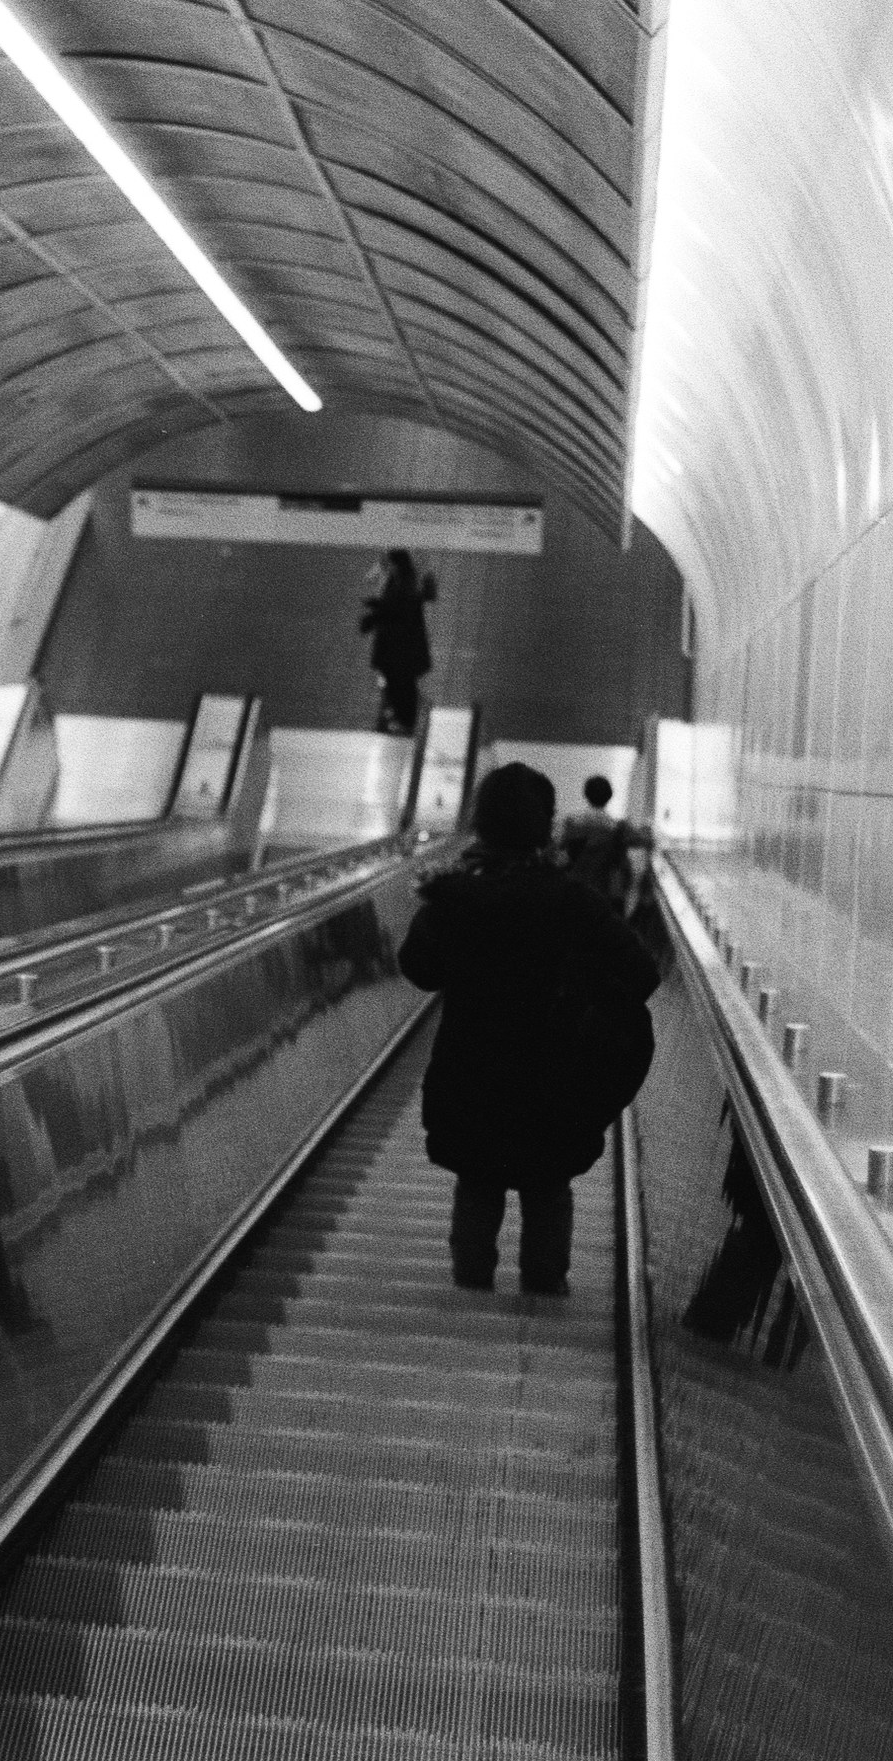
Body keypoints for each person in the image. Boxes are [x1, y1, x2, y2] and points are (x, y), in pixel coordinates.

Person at [397, 762, 660, 1295]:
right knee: (547, 1187)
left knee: (477, 1184)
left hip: (472, 1071)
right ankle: (544, 1291)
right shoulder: (572, 902)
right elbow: (642, 974)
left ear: (481, 823)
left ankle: (470, 1291)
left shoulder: (454, 899)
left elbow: (418, 969)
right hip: (554, 1074)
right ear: (545, 827)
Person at [357, 548, 437, 735]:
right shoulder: (402, 580)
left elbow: (399, 609)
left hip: (401, 649)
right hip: (398, 648)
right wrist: (377, 606)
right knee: (399, 684)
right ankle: (403, 719)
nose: (387, 567)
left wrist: (375, 613)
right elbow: (397, 605)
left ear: (396, 564)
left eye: (389, 563)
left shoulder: (406, 582)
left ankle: (406, 721)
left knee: (402, 685)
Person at [556, 774, 651, 915]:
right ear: (609, 796)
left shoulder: (572, 823)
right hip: (605, 894)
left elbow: (561, 849)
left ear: (586, 794)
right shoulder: (619, 828)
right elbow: (645, 842)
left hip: (574, 891)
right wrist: (647, 830)